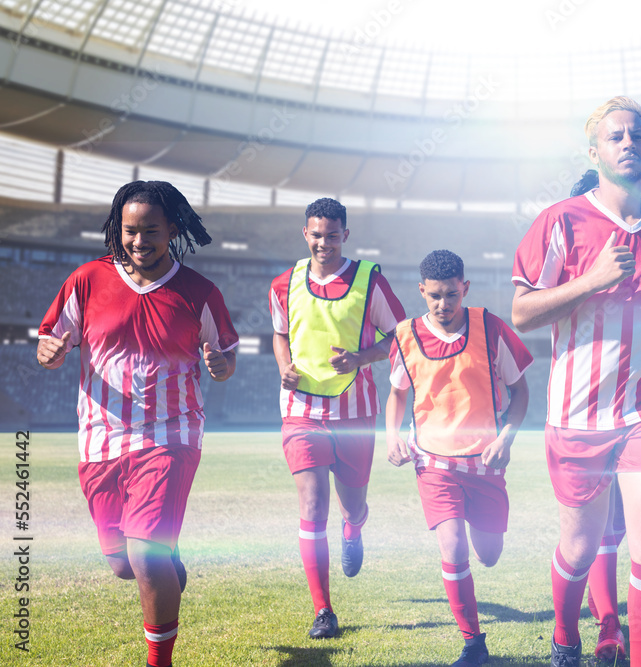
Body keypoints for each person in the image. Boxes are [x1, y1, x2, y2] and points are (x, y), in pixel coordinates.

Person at [511, 96, 641, 667]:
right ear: (594, 152)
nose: (627, 143)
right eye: (615, 136)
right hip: (577, 415)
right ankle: (566, 636)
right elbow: (522, 313)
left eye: (636, 135)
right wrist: (591, 280)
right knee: (580, 545)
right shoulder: (560, 221)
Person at [36, 180, 238, 667]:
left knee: (145, 554)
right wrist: (48, 352)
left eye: (151, 229)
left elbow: (227, 355)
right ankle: (166, 570)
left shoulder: (199, 292)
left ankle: (158, 660)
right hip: (100, 441)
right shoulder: (86, 280)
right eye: (130, 230)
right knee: (124, 565)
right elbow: (49, 341)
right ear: (116, 228)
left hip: (171, 435)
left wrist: (220, 365)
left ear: (172, 228)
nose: (139, 240)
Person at [385, 249, 532, 666]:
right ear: (422, 291)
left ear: (464, 288)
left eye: (451, 295)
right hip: (433, 463)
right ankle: (473, 644)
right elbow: (397, 393)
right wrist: (391, 434)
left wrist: (508, 437)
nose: (443, 304)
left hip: (485, 464)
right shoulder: (406, 334)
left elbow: (521, 392)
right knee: (452, 548)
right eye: (434, 296)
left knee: (488, 554)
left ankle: (480, 533)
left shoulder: (490, 326)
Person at [269, 197, 406, 639]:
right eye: (316, 234)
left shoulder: (370, 280)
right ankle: (323, 610)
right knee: (311, 506)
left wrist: (362, 358)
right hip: (301, 414)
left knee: (353, 503)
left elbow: (402, 337)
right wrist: (283, 366)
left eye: (332, 235)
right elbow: (279, 333)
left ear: (345, 235)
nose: (323, 243)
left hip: (355, 413)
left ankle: (354, 527)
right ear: (304, 233)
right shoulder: (283, 283)